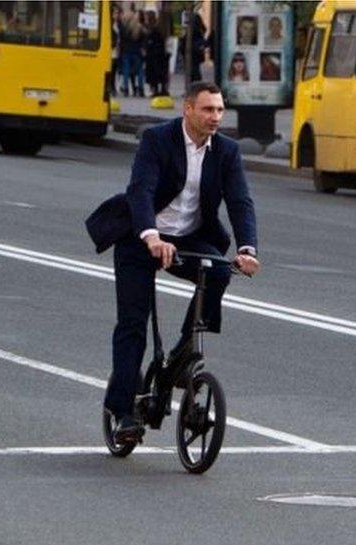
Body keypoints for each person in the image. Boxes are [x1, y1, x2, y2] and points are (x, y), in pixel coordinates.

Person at [86, 82, 260, 444]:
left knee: (219, 271)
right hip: (142, 236)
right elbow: (142, 190)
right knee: (133, 324)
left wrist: (247, 249)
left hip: (189, 236)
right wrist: (151, 236)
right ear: (188, 110)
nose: (216, 117)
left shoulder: (226, 151)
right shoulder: (157, 140)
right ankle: (123, 413)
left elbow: (240, 201)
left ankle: (184, 351)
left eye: (219, 110)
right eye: (208, 109)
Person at [143, 11, 168, 96]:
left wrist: (147, 47)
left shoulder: (153, 30)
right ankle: (159, 89)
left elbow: (151, 42)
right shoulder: (156, 29)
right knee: (159, 73)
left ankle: (156, 90)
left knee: (155, 73)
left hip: (153, 56)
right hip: (158, 55)